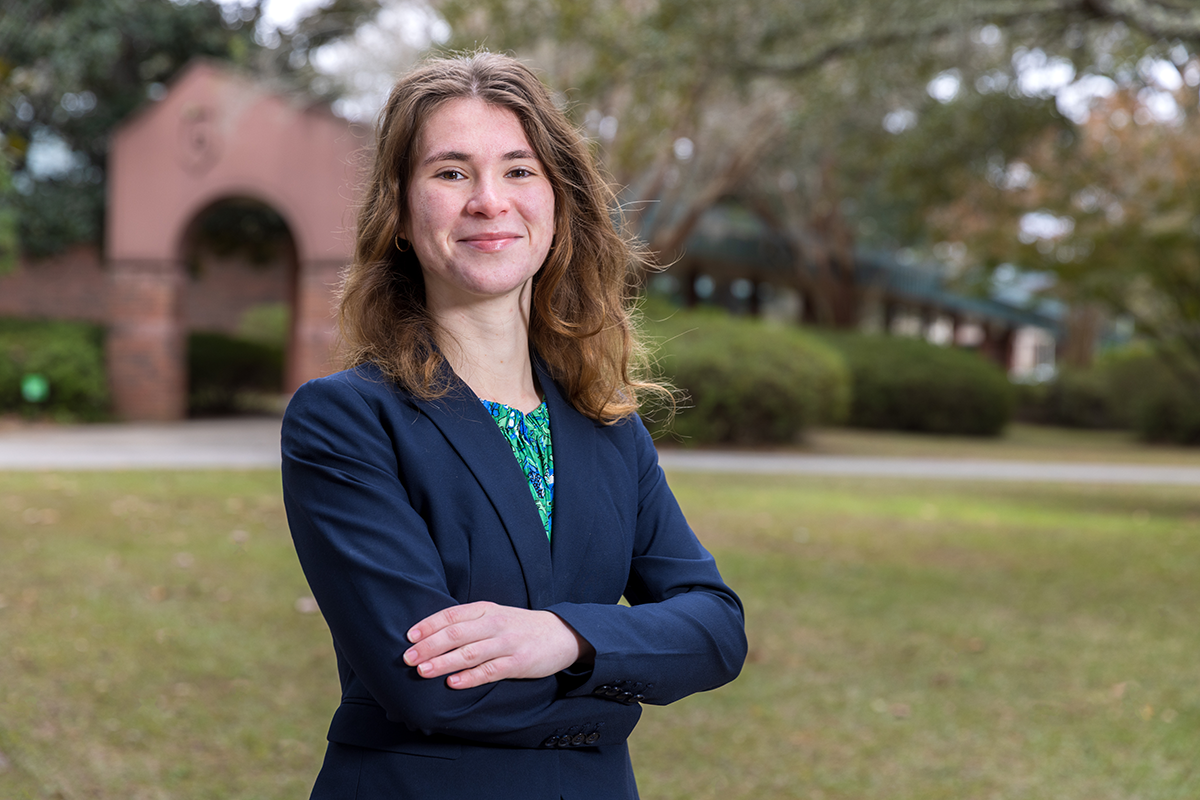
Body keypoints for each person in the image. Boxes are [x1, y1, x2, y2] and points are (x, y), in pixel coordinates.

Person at [281, 51, 747, 800]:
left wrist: (562, 637)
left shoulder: (606, 426)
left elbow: (717, 629)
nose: (489, 201)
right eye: (451, 172)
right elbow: (432, 688)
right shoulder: (346, 421)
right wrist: (624, 677)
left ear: (558, 203)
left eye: (519, 170)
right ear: (399, 213)